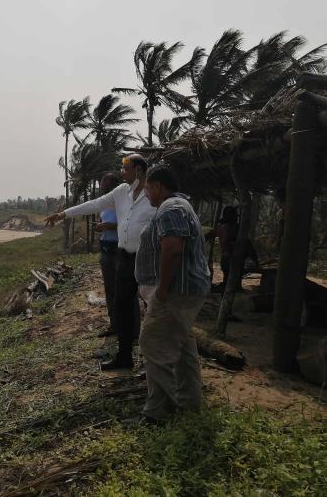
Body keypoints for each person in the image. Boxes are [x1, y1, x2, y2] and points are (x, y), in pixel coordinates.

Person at [45, 154, 156, 370]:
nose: (122, 172)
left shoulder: (153, 194)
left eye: (126, 168)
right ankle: (125, 357)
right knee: (122, 305)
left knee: (153, 307)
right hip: (124, 256)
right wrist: (63, 214)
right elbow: (94, 204)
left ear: (139, 171)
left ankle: (153, 362)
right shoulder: (121, 192)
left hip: (147, 260)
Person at [134, 164, 211, 424]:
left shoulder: (171, 208)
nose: (145, 194)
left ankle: (160, 412)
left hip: (176, 291)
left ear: (158, 186)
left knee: (153, 344)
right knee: (183, 347)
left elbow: (173, 249)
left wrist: (163, 290)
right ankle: (189, 405)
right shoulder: (177, 206)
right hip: (183, 289)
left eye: (147, 188)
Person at [208, 206, 260, 292]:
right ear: (231, 216)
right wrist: (254, 258)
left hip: (226, 259)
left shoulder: (222, 227)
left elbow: (210, 236)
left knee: (230, 283)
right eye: (235, 216)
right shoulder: (233, 228)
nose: (237, 217)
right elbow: (244, 243)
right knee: (233, 285)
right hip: (232, 259)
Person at [95, 172, 121, 337]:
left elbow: (129, 226)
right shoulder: (104, 204)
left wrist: (110, 226)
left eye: (104, 180)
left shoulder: (122, 202)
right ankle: (114, 324)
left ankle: (129, 328)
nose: (101, 183)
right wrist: (102, 227)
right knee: (109, 288)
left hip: (119, 249)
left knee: (124, 288)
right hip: (105, 248)